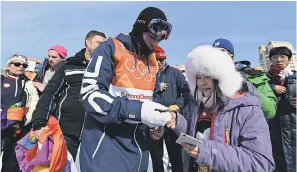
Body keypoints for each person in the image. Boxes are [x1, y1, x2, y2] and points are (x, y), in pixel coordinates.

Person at [76, 7, 174, 172]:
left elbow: (153, 96)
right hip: (106, 150)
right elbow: (89, 94)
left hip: (139, 153)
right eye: (151, 37)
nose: (155, 43)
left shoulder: (152, 61)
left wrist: (155, 123)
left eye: (159, 40)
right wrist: (138, 111)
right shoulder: (111, 48)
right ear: (139, 28)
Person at [169, 45, 275, 172]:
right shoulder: (200, 104)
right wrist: (177, 121)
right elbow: (196, 133)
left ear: (221, 76)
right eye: (198, 77)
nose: (202, 83)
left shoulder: (247, 108)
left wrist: (206, 152)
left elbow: (260, 162)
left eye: (207, 76)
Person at [31, 30, 106, 159]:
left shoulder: (107, 68)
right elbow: (50, 93)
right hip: (66, 131)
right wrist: (39, 123)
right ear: (87, 41)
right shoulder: (69, 65)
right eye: (98, 43)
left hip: (96, 133)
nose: (102, 47)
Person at [212, 38, 277, 119]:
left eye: (222, 51)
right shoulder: (206, 79)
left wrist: (246, 88)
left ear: (231, 54)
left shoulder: (252, 75)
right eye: (214, 52)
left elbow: (270, 111)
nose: (218, 55)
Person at [150, 45, 189, 172]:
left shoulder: (175, 73)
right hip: (154, 120)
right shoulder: (148, 74)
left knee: (176, 156)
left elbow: (187, 93)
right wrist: (156, 87)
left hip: (172, 120)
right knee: (156, 157)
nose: (160, 62)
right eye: (157, 59)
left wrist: (177, 105)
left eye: (162, 59)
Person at [1, 54, 39, 172]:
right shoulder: (2, 79)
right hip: (1, 122)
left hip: (17, 127)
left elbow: (34, 103)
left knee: (12, 159)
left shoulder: (29, 83)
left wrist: (24, 121)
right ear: (8, 66)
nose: (21, 67)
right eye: (17, 64)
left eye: (24, 65)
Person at [266, 46, 296, 172]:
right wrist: (272, 88)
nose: (278, 59)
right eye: (274, 57)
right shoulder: (264, 80)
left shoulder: (295, 78)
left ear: (289, 60)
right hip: (273, 129)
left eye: (282, 57)